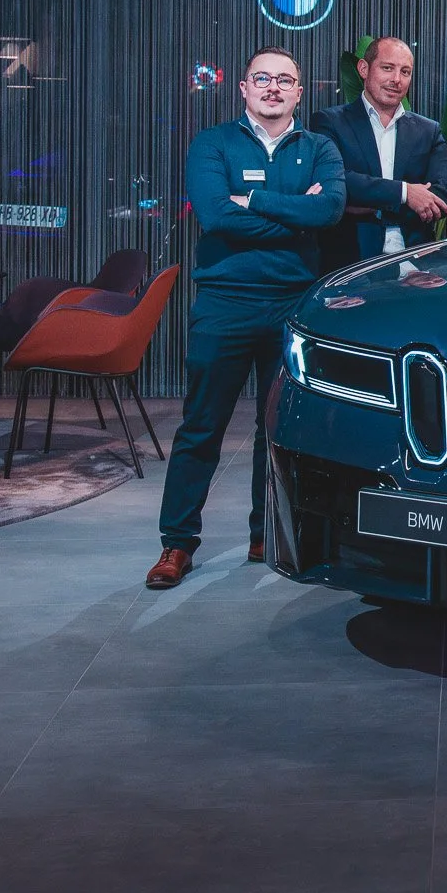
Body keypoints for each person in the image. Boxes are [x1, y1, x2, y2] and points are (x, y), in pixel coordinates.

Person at [144, 48, 344, 589]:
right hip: (224, 302)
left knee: (275, 429)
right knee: (201, 426)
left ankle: (265, 534)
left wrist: (250, 199)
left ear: (299, 91)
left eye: (284, 80)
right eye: (262, 78)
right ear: (243, 87)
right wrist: (294, 213)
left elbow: (328, 210)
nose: (272, 87)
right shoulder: (212, 144)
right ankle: (176, 544)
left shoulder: (320, 148)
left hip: (293, 305)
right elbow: (215, 215)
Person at [310, 36, 447, 266]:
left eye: (405, 72)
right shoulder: (330, 122)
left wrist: (366, 202)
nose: (396, 79)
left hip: (417, 261)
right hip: (352, 261)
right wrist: (406, 194)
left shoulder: (428, 130)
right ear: (363, 69)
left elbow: (443, 194)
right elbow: (336, 184)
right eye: (387, 68)